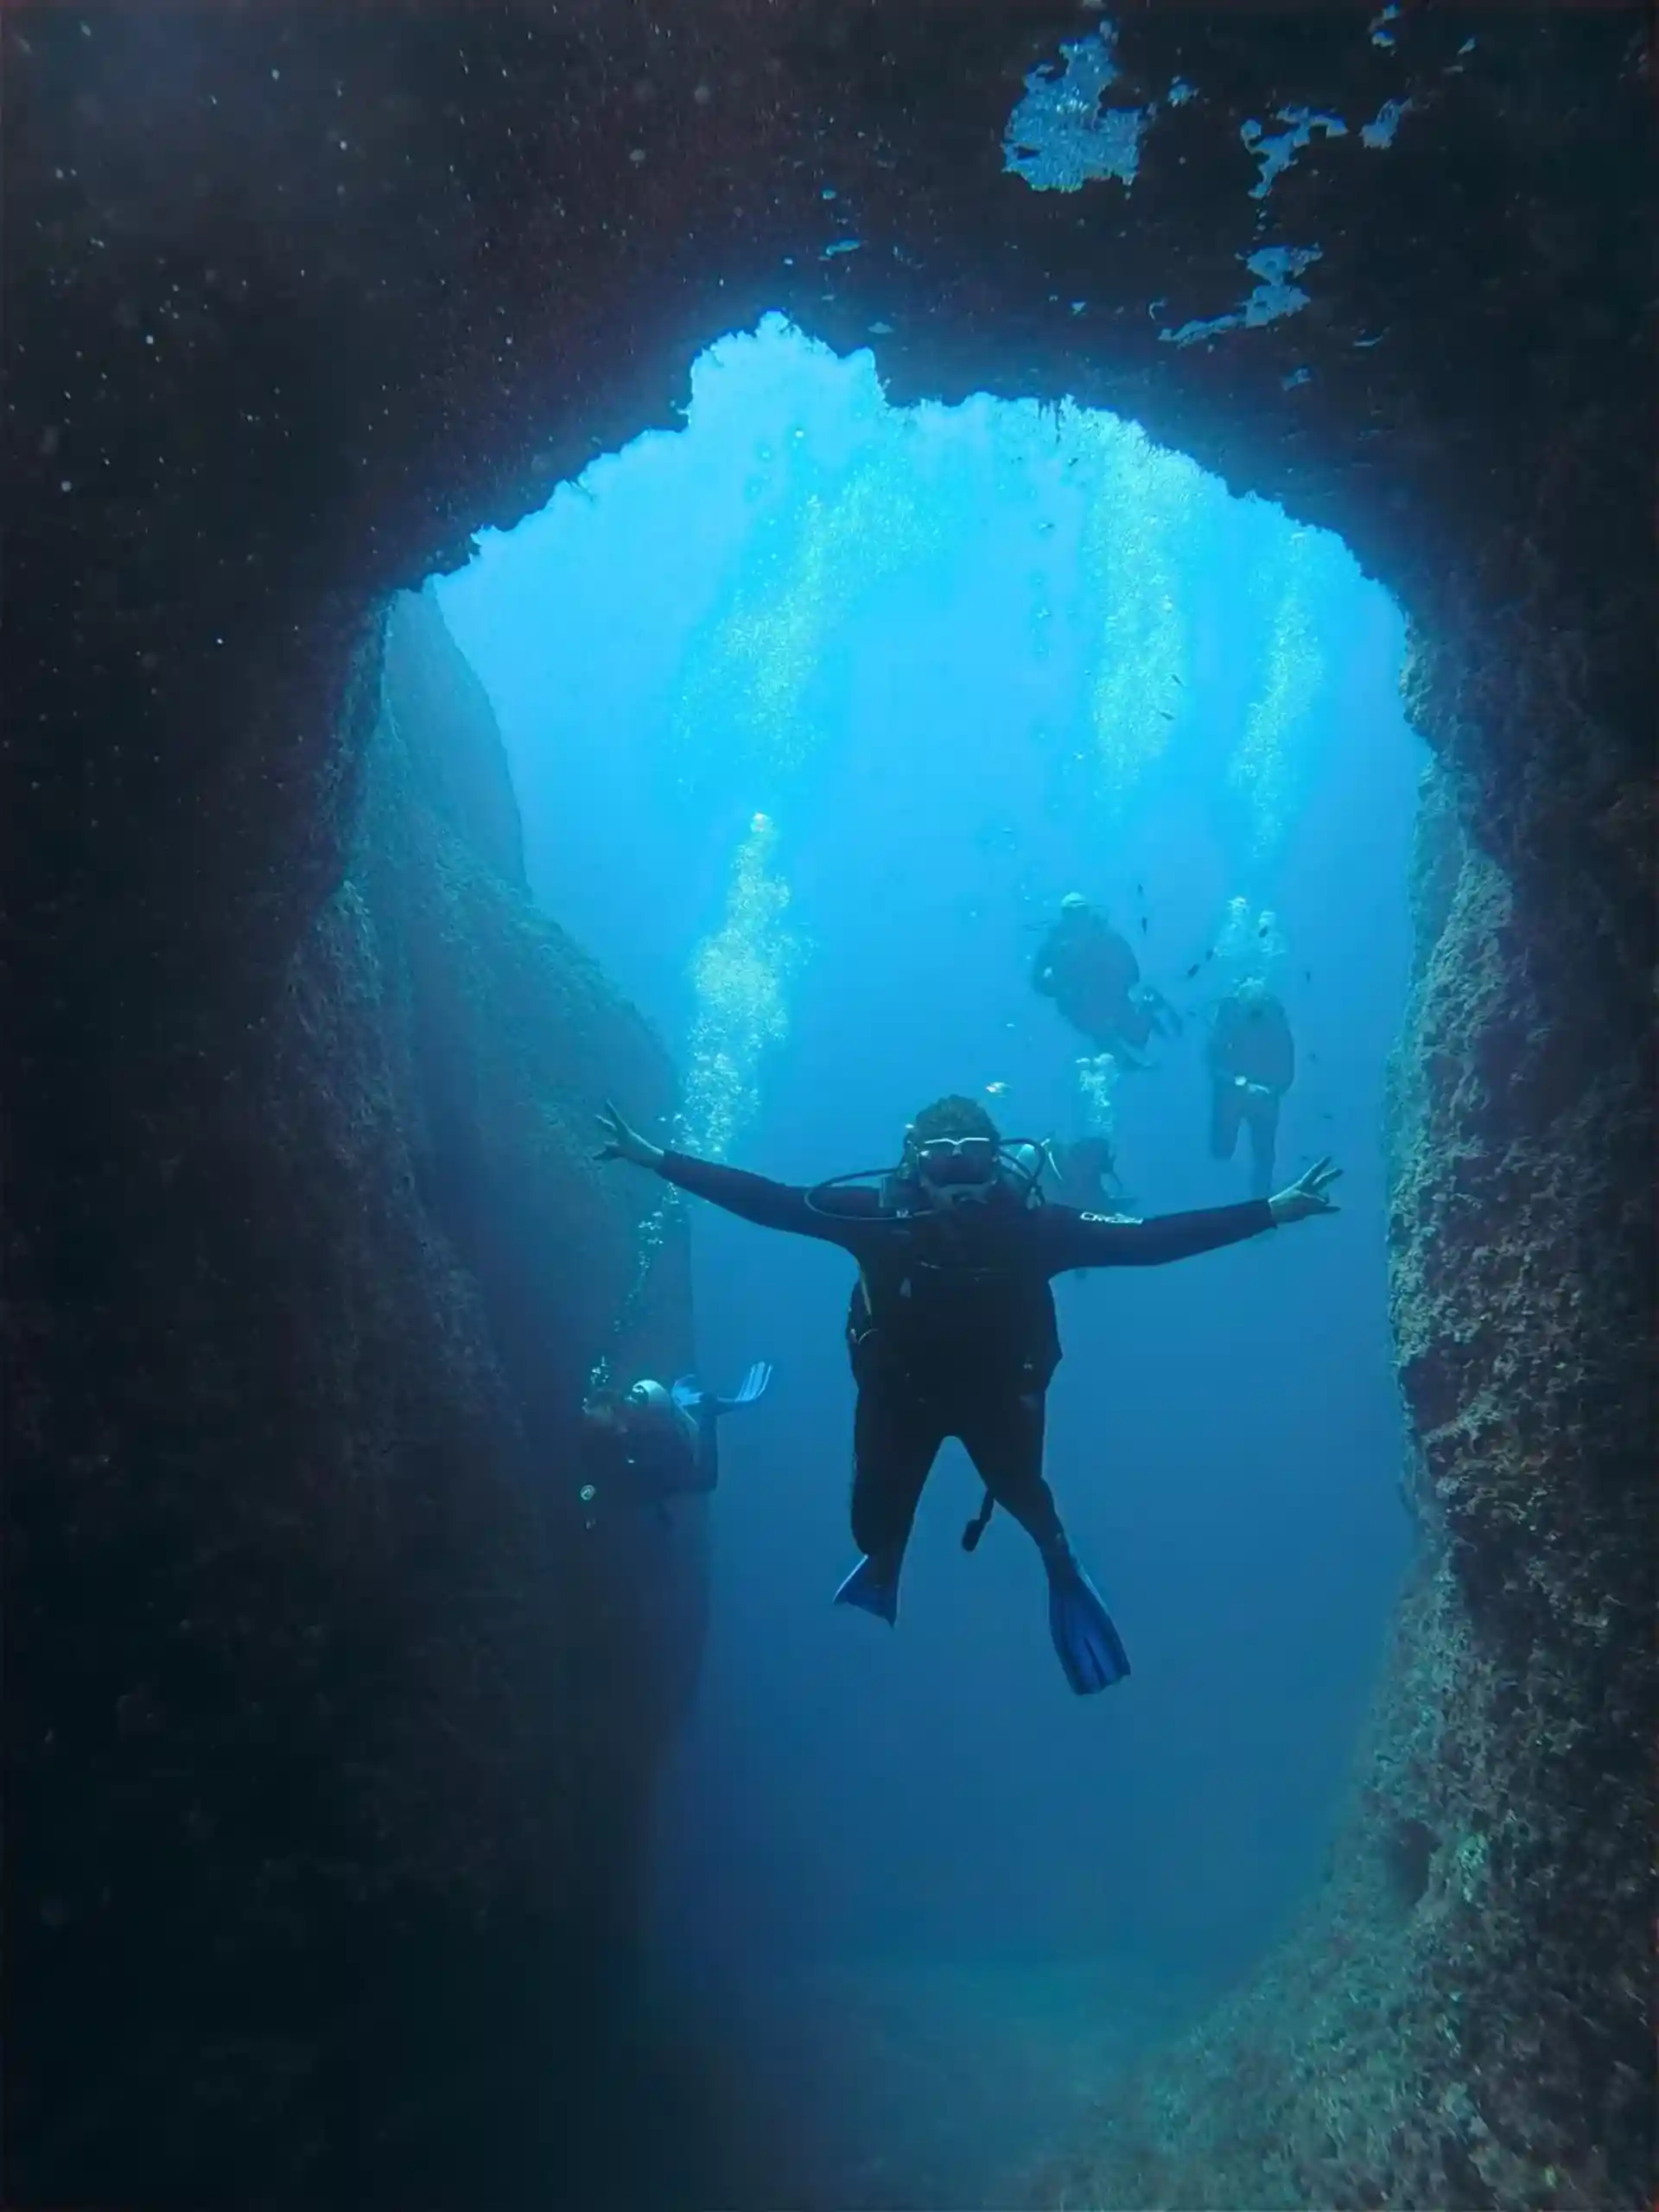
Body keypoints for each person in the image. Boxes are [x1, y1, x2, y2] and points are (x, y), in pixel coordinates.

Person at [595, 1093, 1340, 1696]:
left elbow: (1147, 1240)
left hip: (998, 1398)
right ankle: (887, 1556)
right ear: (914, 1166)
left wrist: (1270, 1209)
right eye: (941, 1161)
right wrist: (655, 1157)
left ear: (997, 1163)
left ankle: (1059, 1563)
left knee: (1024, 1495)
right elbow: (770, 1201)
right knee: (870, 1529)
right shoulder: (876, 1220)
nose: (958, 1180)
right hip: (900, 1397)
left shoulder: (1035, 1230)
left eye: (973, 1160)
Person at [579, 1363, 772, 1524]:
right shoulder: (614, 1428)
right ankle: (701, 1409)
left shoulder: (655, 1446)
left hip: (665, 1453)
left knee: (704, 1481)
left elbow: (699, 1479)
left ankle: (707, 1410)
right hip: (652, 1458)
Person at [1031, 893, 1179, 1067]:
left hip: (1112, 996)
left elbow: (1132, 971)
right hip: (1079, 1003)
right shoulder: (1054, 946)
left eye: (1081, 911)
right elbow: (1037, 982)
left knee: (1136, 1038)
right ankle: (1132, 1061)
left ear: (1089, 913)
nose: (1077, 918)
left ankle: (1149, 1009)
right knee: (1103, 1038)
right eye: (1071, 913)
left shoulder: (1108, 938)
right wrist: (1052, 984)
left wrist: (1119, 983)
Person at [1208, 980, 1296, 1198]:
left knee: (1264, 1156)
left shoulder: (1276, 1021)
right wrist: (1241, 1084)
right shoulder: (1227, 1019)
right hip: (1235, 1094)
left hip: (1264, 1097)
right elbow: (1213, 1061)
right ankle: (1223, 1196)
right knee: (1222, 1151)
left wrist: (1271, 1091)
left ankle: (1261, 1203)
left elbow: (1287, 1065)